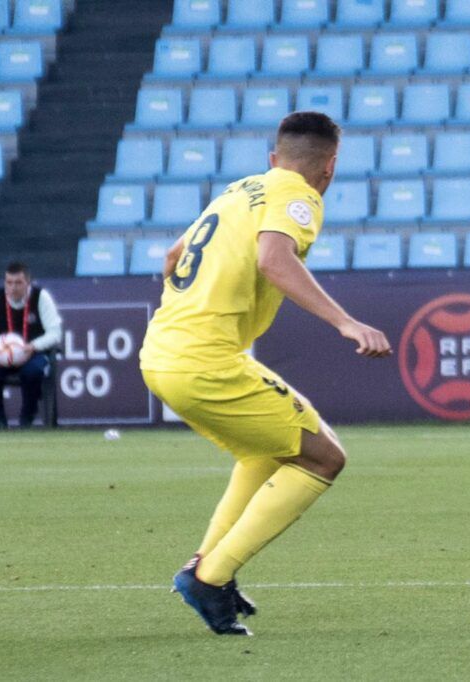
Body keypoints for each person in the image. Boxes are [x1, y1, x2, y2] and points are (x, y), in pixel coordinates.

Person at [140, 111, 392, 636]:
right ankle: (210, 577)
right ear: (330, 167)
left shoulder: (238, 190)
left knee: (267, 450)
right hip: (206, 361)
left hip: (162, 354)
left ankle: (208, 566)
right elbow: (274, 261)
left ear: (273, 158)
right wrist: (345, 322)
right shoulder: (297, 195)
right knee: (325, 457)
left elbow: (171, 257)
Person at [0, 261, 63, 428]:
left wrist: (33, 346)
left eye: (18, 283)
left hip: (32, 354)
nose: (13, 288)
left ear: (28, 282)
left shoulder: (41, 297)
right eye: (9, 283)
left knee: (33, 372)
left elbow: (55, 333)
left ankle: (27, 416)